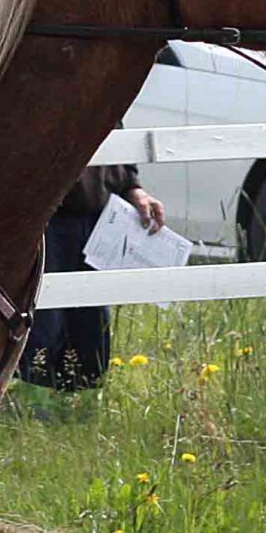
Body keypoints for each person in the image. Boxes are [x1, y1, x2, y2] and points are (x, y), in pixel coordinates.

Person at [18, 164, 164, 392]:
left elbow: (112, 142)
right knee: (41, 332)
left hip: (97, 212)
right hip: (44, 212)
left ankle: (78, 404)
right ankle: (27, 405)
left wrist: (131, 186)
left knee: (91, 334)